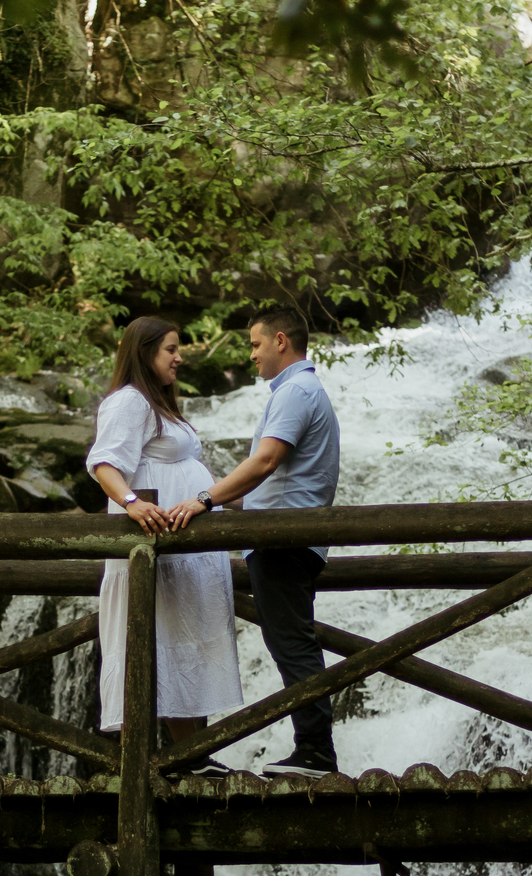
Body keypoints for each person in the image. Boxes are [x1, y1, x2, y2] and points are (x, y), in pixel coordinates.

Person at [167, 306, 341, 778]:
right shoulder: (302, 389)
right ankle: (312, 750)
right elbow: (275, 482)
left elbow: (265, 462)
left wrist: (203, 499)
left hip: (284, 540)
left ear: (281, 340)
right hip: (287, 534)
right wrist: (220, 501)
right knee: (290, 642)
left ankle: (316, 754)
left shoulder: (296, 390)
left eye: (255, 345)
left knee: (293, 644)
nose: (252, 356)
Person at [86, 317, 242, 773]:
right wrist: (133, 503)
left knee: (187, 639)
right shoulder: (129, 402)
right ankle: (184, 758)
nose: (179, 357)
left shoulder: (161, 404)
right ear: (144, 353)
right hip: (157, 545)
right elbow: (104, 464)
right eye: (171, 349)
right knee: (169, 638)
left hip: (182, 548)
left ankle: (194, 756)